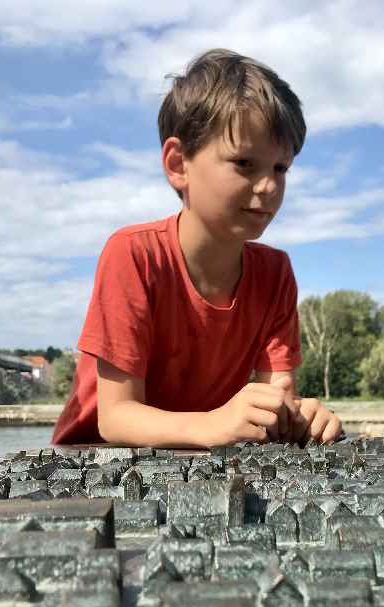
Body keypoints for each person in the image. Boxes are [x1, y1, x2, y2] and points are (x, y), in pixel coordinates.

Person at [52, 49, 342, 449]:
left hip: (195, 456)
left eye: (280, 168)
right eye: (244, 163)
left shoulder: (276, 273)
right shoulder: (133, 255)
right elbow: (115, 418)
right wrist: (213, 425)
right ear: (178, 164)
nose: (269, 187)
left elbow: (277, 397)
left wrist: (301, 418)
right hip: (92, 461)